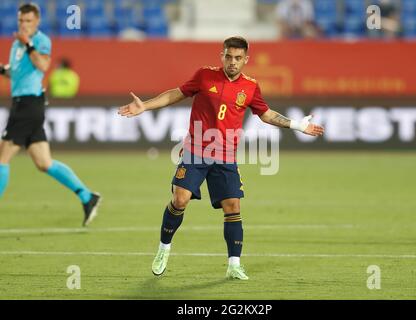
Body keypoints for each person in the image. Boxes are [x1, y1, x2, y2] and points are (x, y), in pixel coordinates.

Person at [118, 36, 324, 280]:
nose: (233, 62)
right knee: (180, 199)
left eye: (238, 58)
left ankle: (234, 264)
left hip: (225, 155)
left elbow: (266, 114)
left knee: (233, 207)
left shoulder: (250, 86)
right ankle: (164, 248)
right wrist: (146, 106)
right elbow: (176, 93)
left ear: (246, 60)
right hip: (196, 150)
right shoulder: (205, 76)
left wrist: (297, 125)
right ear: (222, 56)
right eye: (229, 56)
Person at [0, 3, 101, 226]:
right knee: (44, 162)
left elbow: (43, 64)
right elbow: (15, 73)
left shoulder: (40, 41)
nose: (23, 25)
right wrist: (1, 69)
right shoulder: (17, 44)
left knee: (2, 157)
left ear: (36, 22)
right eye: (20, 21)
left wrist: (28, 44)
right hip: (25, 103)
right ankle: (87, 196)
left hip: (28, 104)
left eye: (27, 21)